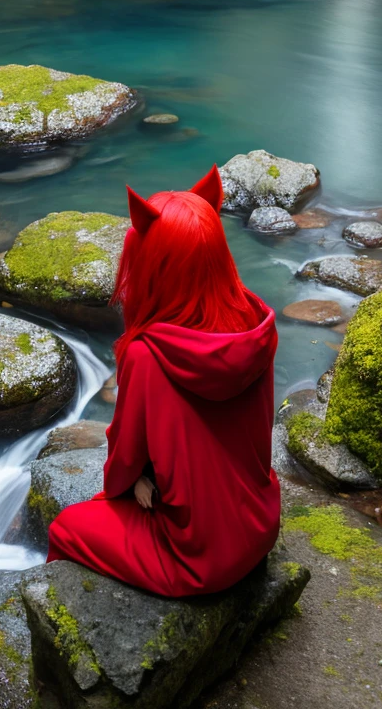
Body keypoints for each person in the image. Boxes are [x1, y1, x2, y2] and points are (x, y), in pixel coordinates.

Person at [46, 166, 281, 597]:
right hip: (261, 524)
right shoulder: (257, 323)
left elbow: (122, 462)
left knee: (66, 528)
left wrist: (131, 480)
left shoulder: (147, 355)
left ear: (153, 267)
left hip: (195, 558)